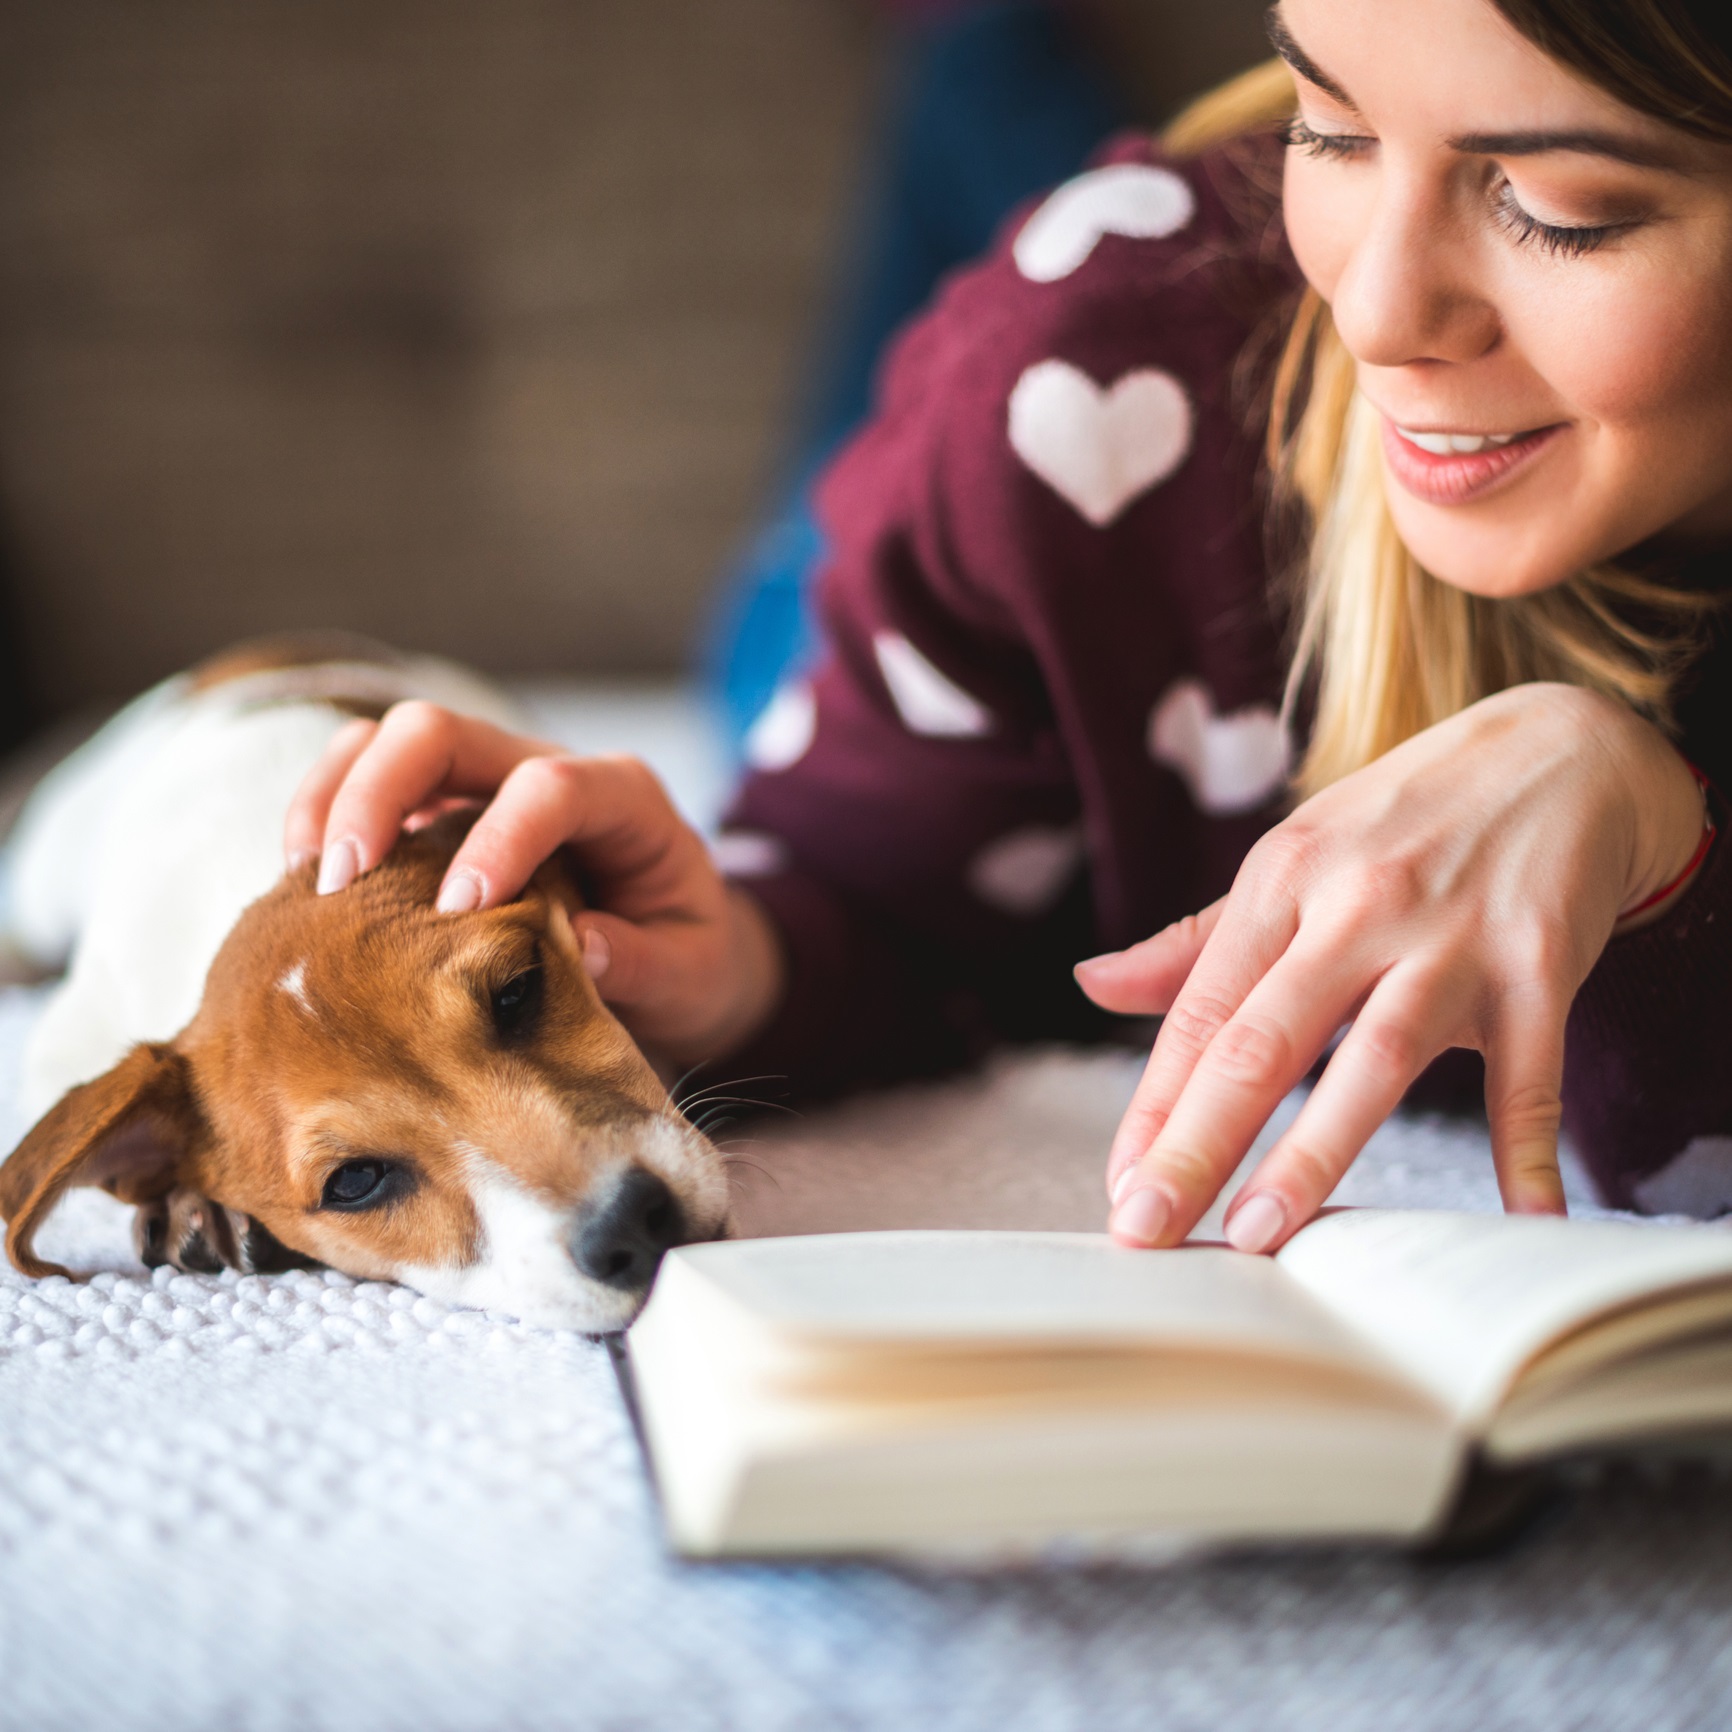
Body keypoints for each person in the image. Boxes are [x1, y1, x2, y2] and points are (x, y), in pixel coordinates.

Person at [286, 0, 1732, 1258]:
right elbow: (879, 913)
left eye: (1564, 208)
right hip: (958, 571)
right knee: (1004, 314)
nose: (1373, 312)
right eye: (1328, 124)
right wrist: (738, 955)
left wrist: (1658, 848)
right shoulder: (1078, 372)